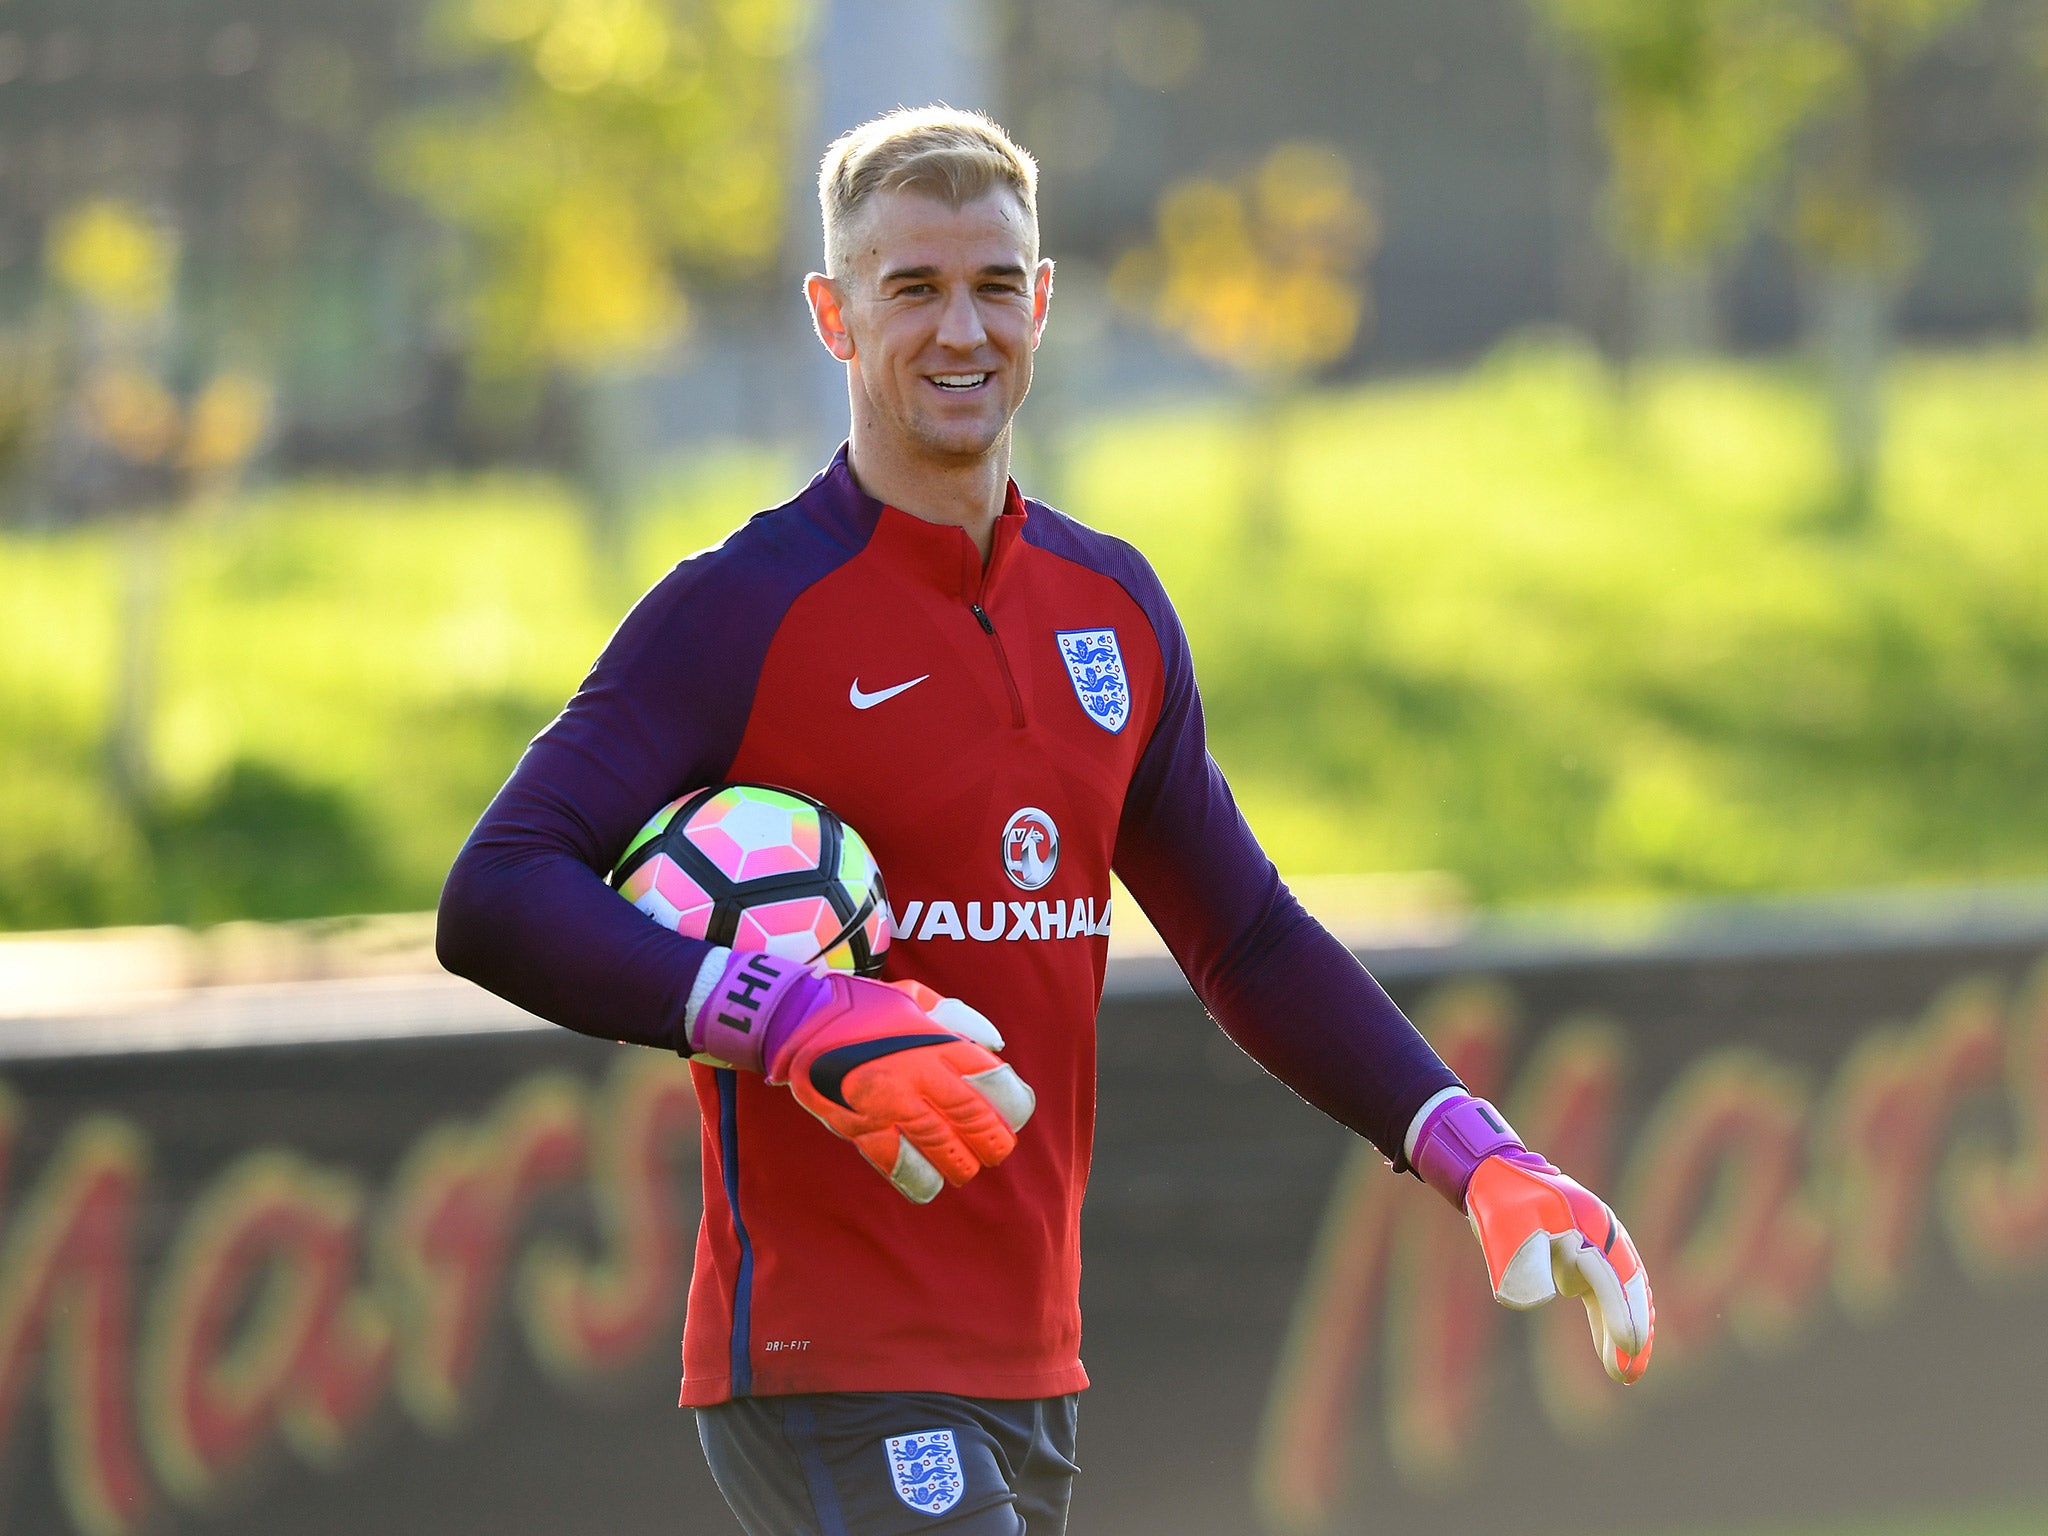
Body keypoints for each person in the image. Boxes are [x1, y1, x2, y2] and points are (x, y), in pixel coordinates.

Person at [436, 105, 1653, 1536]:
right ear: (834, 315)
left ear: (1045, 300)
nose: (963, 331)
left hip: (1031, 1357)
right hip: (833, 1358)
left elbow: (1246, 937)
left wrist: (1472, 1151)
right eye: (913, 290)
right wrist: (785, 1017)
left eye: (996, 287)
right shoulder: (739, 610)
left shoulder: (1113, 609)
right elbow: (498, 892)